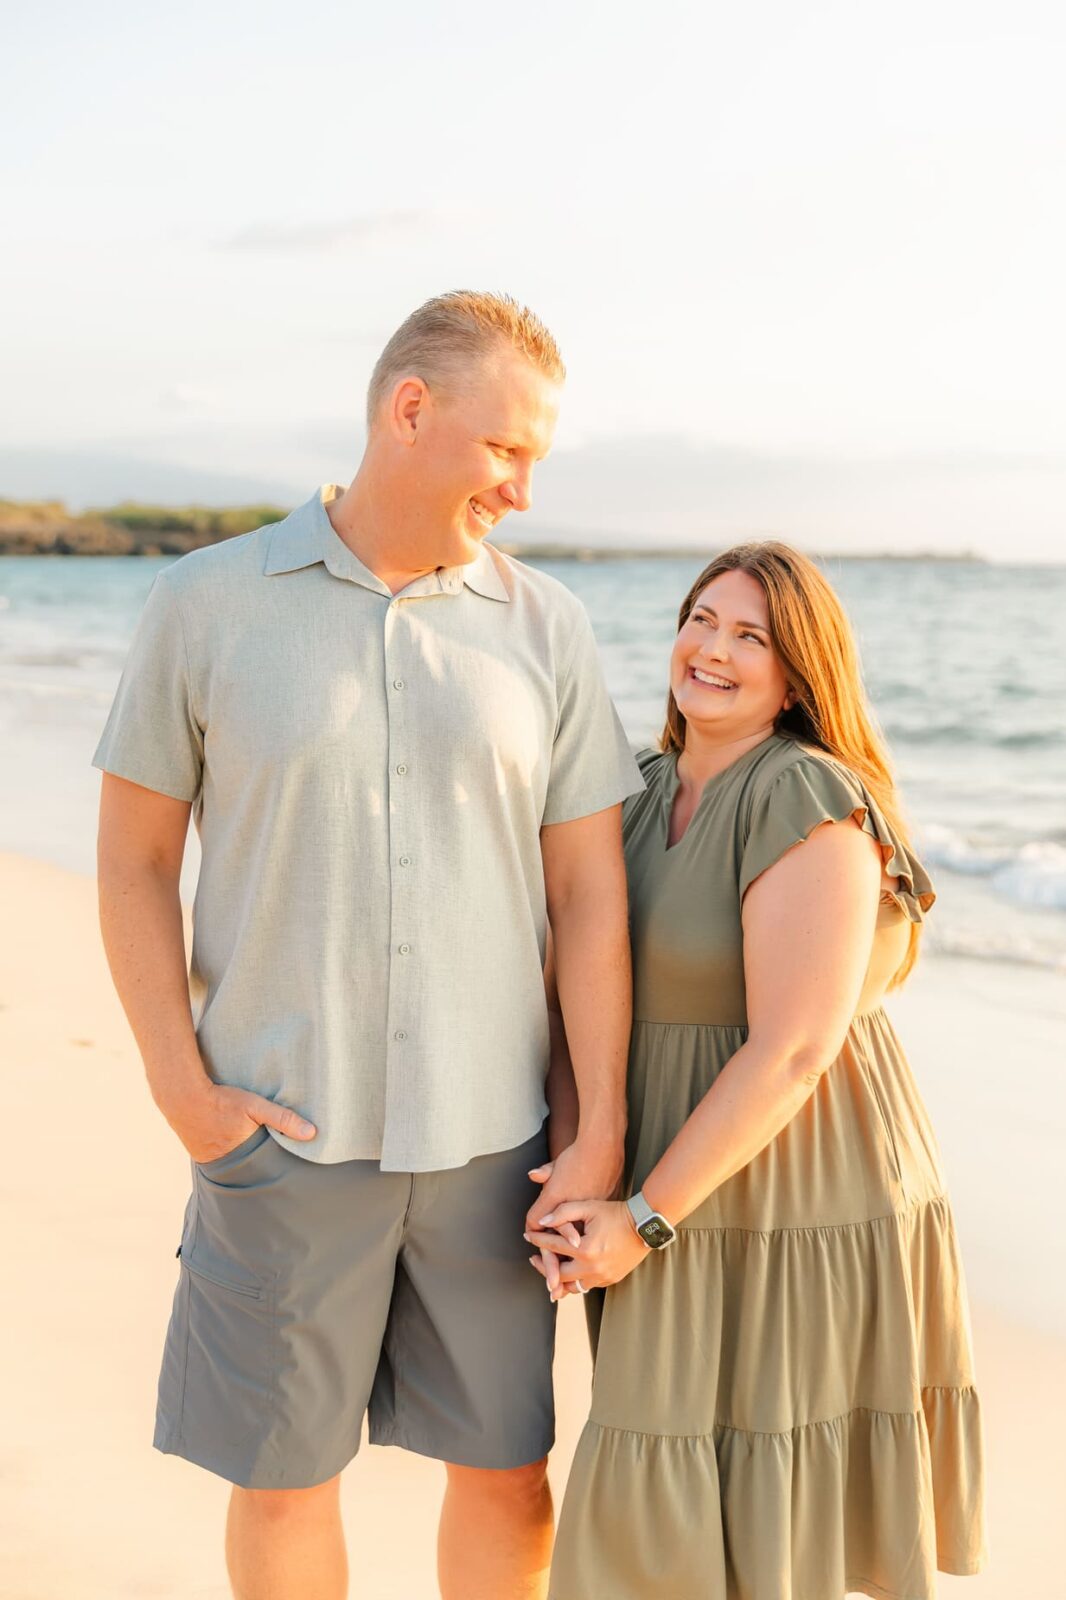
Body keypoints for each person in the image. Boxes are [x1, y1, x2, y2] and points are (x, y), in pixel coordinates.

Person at [94, 290, 643, 1600]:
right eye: (507, 447)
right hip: (280, 1137)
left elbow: (588, 897)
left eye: (537, 461)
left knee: (510, 1471)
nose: (520, 486)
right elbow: (134, 860)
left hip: (492, 1146)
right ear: (411, 411)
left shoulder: (544, 626)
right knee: (284, 1483)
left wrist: (599, 1129)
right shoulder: (206, 602)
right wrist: (181, 1090)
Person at [529, 543, 986, 1600]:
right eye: (700, 618)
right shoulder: (630, 788)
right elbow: (568, 987)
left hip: (796, 1189)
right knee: (668, 1512)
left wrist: (642, 1213)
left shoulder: (807, 797)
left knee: (772, 1530)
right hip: (667, 1175)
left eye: (751, 636)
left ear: (799, 673)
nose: (711, 648)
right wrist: (575, 1166)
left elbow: (792, 1048)